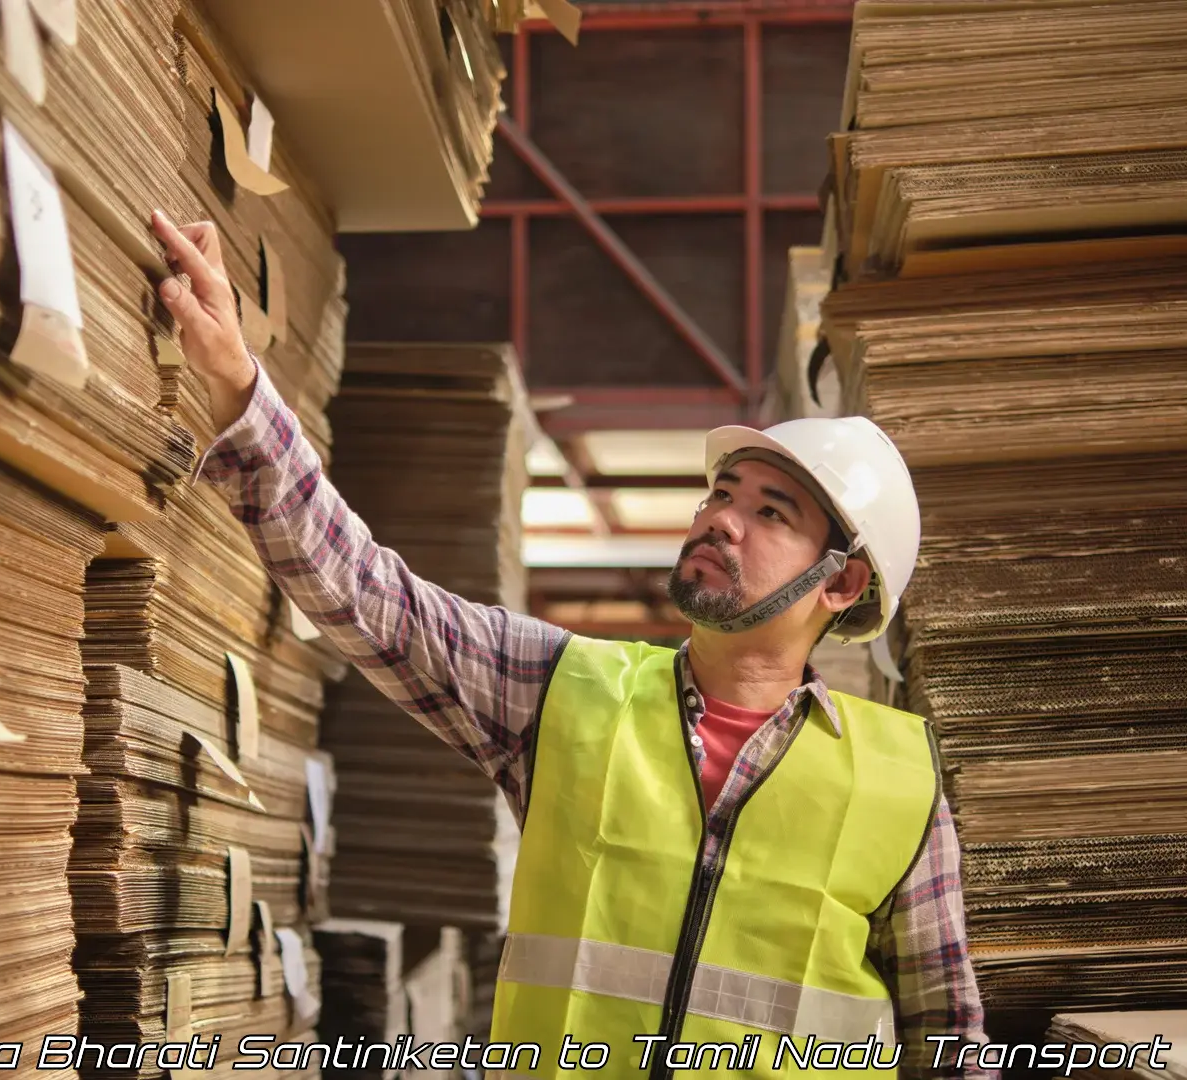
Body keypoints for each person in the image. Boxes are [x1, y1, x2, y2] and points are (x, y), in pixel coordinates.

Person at [149, 211, 998, 1079]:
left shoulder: (898, 781)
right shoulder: (567, 690)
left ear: (842, 585)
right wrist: (236, 384)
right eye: (721, 494)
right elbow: (371, 597)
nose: (720, 521)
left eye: (769, 513)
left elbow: (949, 1039)